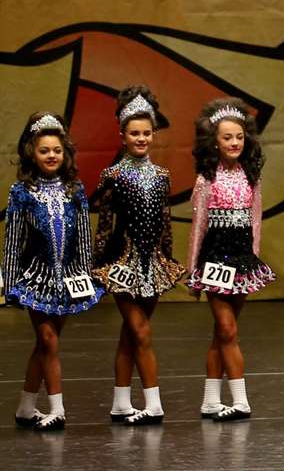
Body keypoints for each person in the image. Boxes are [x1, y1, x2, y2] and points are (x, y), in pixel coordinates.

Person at [91, 86, 187, 424]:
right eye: (135, 133)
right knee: (142, 332)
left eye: (147, 132)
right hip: (121, 264)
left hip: (153, 265)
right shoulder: (113, 176)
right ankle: (153, 403)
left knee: (131, 334)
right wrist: (97, 266)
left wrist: (169, 259)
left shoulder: (162, 177)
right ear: (122, 135)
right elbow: (104, 225)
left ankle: (120, 402)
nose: (142, 138)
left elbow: (166, 222)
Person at [5, 113, 101, 431]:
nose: (51, 156)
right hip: (36, 278)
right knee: (48, 339)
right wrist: (9, 284)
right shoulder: (22, 192)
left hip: (69, 278)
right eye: (45, 150)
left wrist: (86, 275)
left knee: (45, 344)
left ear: (65, 153)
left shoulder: (76, 190)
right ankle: (57, 408)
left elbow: (84, 238)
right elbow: (13, 240)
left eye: (56, 150)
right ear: (33, 152)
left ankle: (25, 407)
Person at [186, 99, 274, 420]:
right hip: (214, 263)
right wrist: (192, 273)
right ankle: (240, 400)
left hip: (241, 263)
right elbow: (198, 229)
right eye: (227, 138)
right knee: (227, 329)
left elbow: (255, 223)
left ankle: (210, 400)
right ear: (214, 141)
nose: (234, 143)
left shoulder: (252, 178)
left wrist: (255, 261)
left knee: (222, 334)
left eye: (239, 137)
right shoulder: (205, 180)